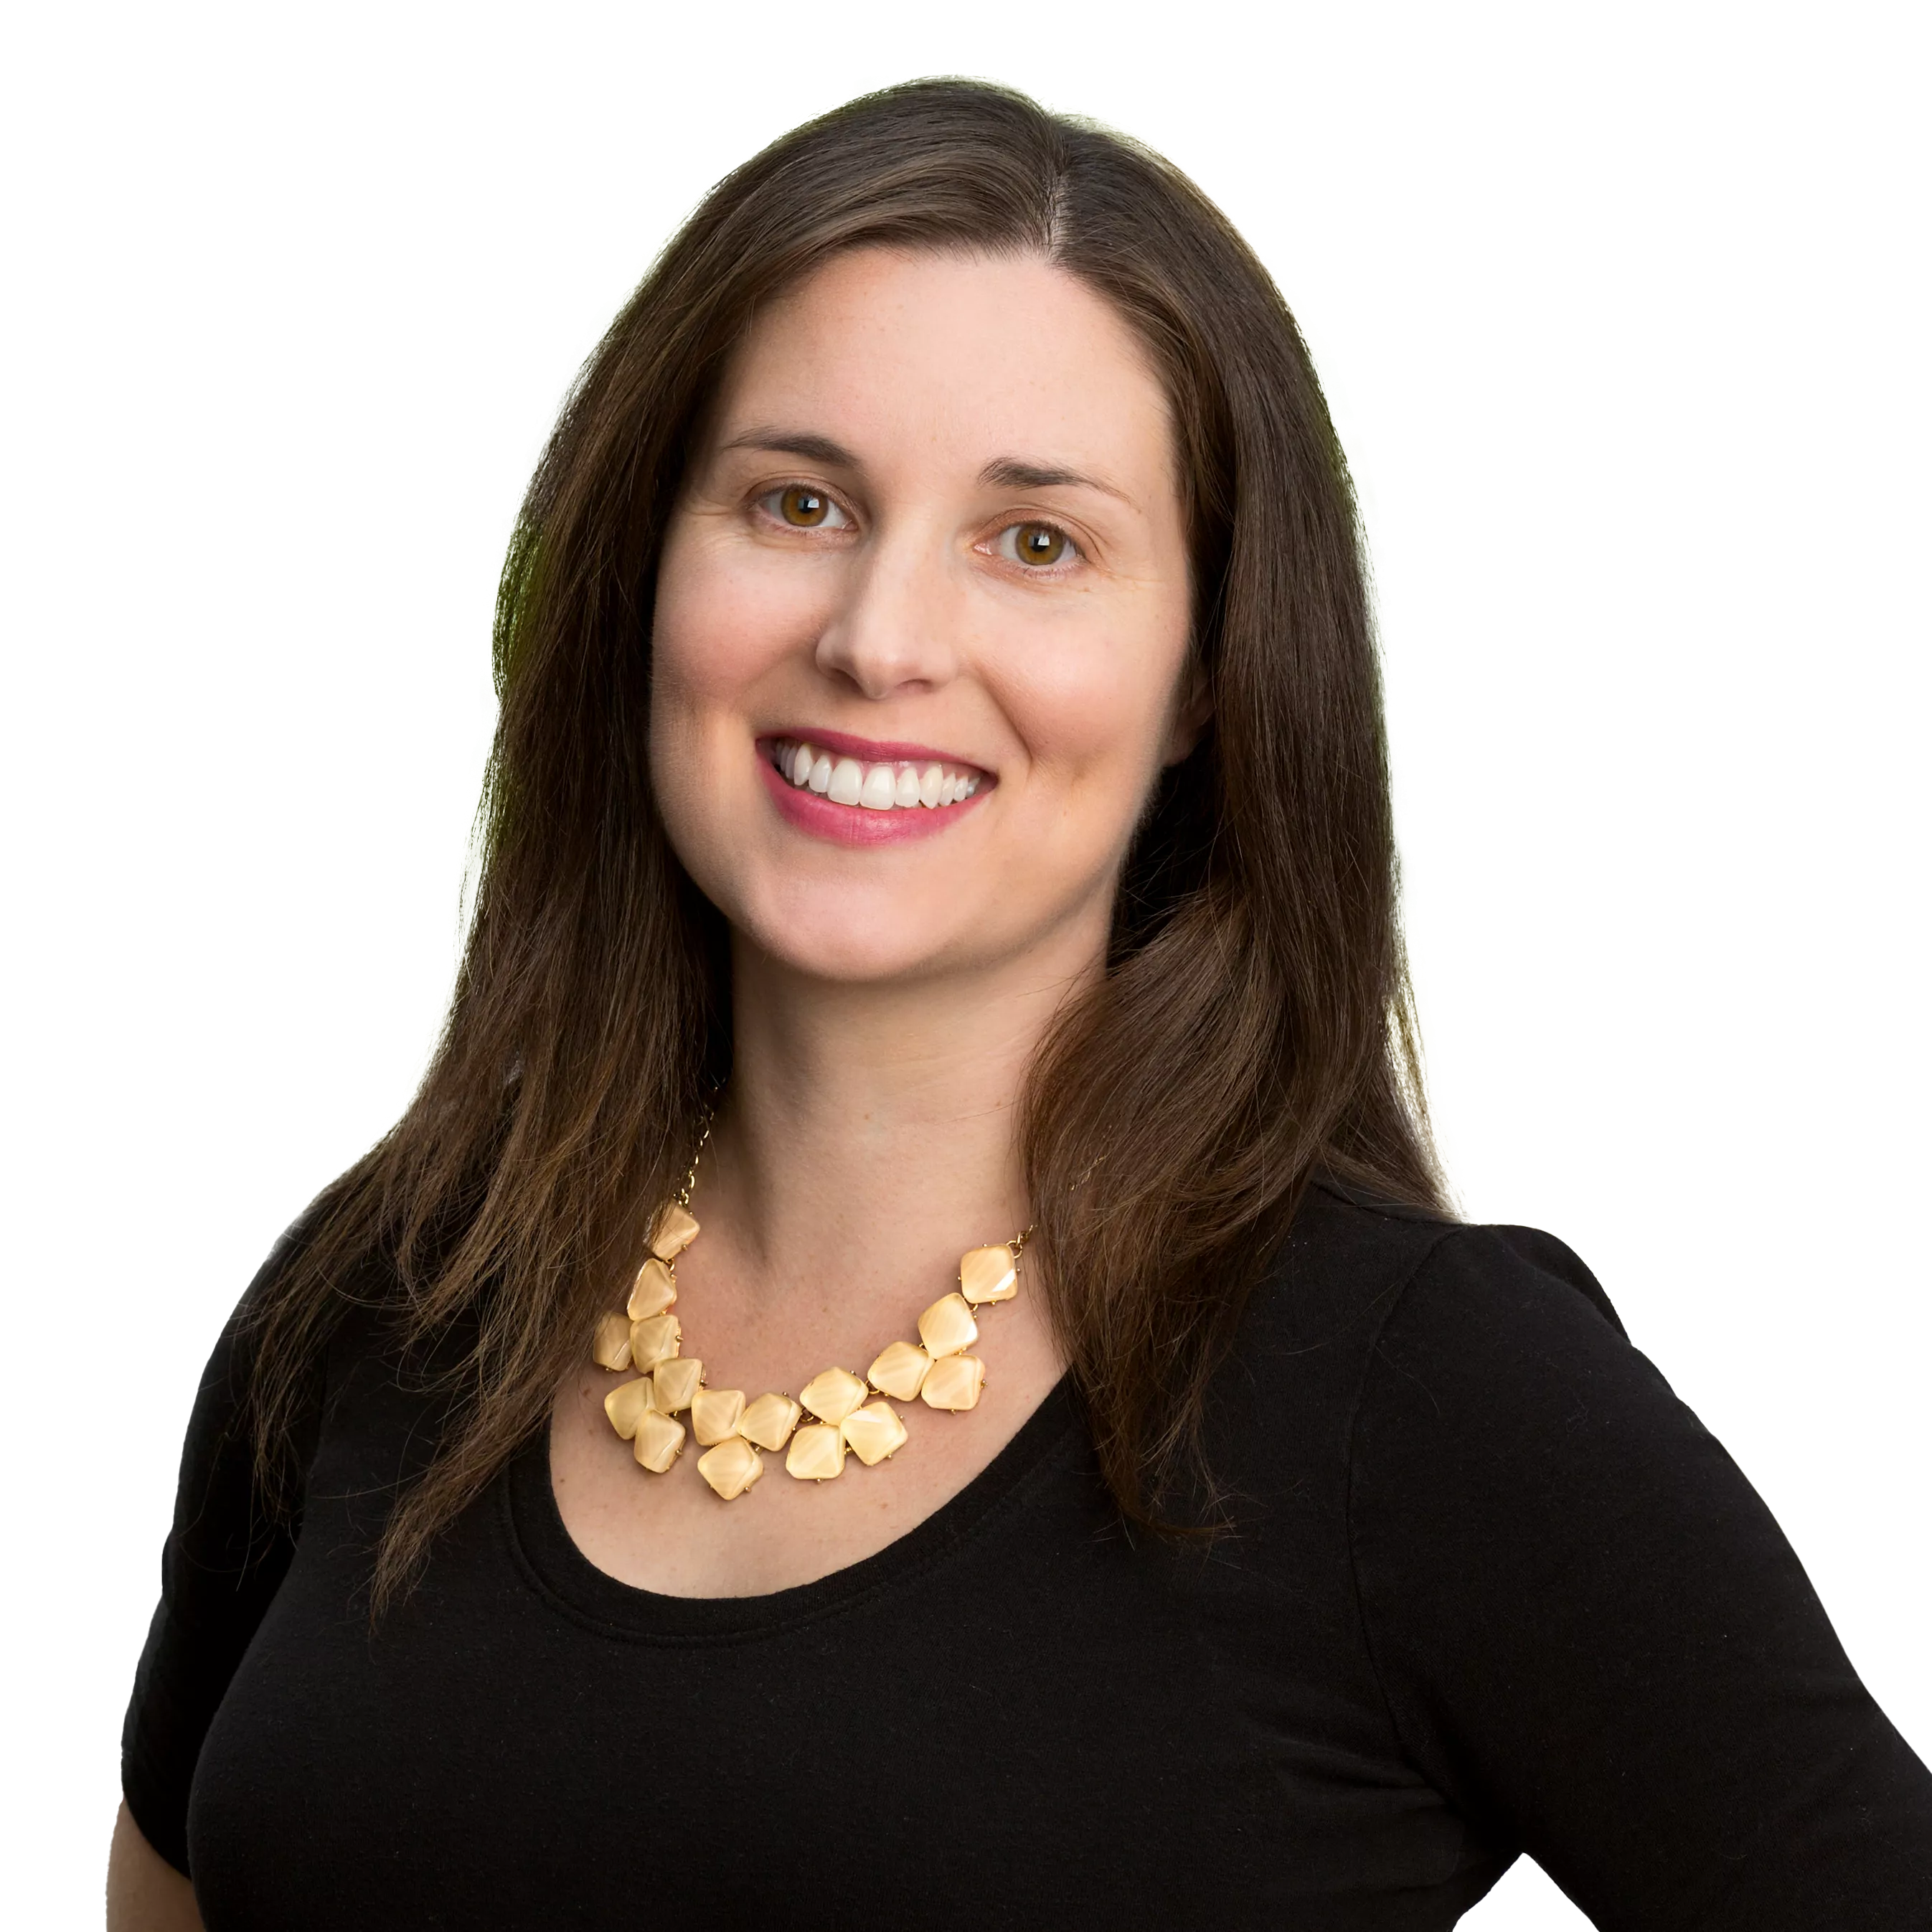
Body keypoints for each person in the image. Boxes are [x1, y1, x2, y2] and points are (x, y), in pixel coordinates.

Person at [107, 75, 1930, 1929]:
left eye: (1036, 541)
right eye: (796, 502)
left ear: (1208, 670)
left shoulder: (1423, 1392)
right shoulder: (389, 1289)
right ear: (645, 568)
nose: (880, 638)